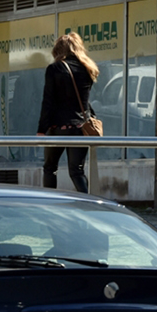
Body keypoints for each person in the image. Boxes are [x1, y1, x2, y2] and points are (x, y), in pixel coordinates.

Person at [37, 31, 100, 192]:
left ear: (58, 50)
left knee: (50, 168)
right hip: (80, 128)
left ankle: (49, 201)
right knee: (77, 171)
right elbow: (84, 101)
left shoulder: (54, 69)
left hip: (58, 128)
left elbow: (48, 101)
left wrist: (41, 129)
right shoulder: (87, 69)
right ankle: (87, 202)